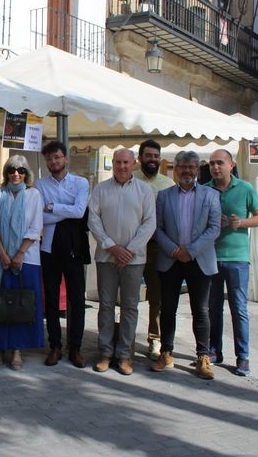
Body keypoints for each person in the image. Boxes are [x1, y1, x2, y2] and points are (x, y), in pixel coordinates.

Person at [151, 151, 220, 380]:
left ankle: (202, 356)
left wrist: (189, 251)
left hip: (198, 259)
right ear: (174, 169)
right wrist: (174, 250)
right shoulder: (163, 196)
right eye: (182, 167)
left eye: (191, 167)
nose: (186, 171)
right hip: (171, 259)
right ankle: (166, 353)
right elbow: (157, 228)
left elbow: (214, 229)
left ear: (197, 170)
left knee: (200, 310)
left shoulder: (211, 195)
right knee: (167, 308)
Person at [88, 148, 155, 375]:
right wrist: (112, 246)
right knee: (105, 306)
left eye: (126, 162)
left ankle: (125, 355)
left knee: (129, 307)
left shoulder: (145, 191)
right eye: (118, 162)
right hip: (106, 257)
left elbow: (149, 223)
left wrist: (129, 250)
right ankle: (105, 353)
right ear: (113, 164)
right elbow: (93, 219)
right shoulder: (100, 189)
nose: (122, 166)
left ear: (134, 163)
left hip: (134, 260)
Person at [0, 155, 44, 370]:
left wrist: (20, 254)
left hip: (27, 258)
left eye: (21, 170)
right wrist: (4, 255)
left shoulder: (34, 195)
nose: (16, 173)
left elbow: (35, 227)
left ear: (26, 174)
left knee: (22, 302)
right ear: (6, 172)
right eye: (12, 169)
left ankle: (17, 349)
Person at [205, 149, 258, 376]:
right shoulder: (206, 190)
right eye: (212, 164)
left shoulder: (245, 189)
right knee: (213, 308)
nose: (215, 167)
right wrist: (212, 224)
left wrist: (240, 222)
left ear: (231, 165)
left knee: (238, 308)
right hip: (211, 257)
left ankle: (243, 357)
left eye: (220, 163)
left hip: (238, 259)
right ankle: (214, 350)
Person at [35, 141, 90, 368]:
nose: (53, 162)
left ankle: (75, 347)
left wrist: (52, 207)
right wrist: (61, 211)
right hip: (49, 247)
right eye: (49, 159)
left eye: (57, 157)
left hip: (74, 247)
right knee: (52, 298)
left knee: (77, 299)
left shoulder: (80, 182)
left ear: (65, 158)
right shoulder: (39, 184)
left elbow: (79, 212)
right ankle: (55, 345)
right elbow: (39, 217)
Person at [134, 139, 175, 360]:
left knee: (156, 296)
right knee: (129, 295)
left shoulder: (168, 184)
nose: (152, 160)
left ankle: (155, 339)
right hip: (132, 246)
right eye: (148, 156)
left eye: (156, 156)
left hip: (157, 247)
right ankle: (125, 338)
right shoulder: (130, 180)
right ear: (140, 158)